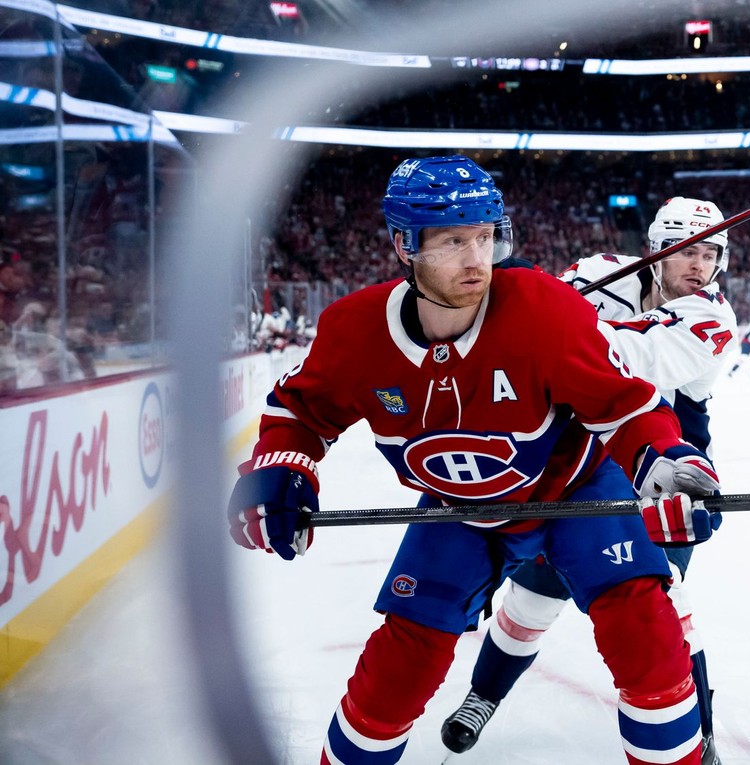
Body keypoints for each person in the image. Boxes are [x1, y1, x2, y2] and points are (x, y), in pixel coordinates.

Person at [227, 156, 724, 765]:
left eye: (486, 237)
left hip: (574, 492)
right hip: (456, 507)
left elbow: (625, 407)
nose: (476, 260)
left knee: (647, 630)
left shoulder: (545, 308)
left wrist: (662, 459)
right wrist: (279, 466)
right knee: (401, 663)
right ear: (404, 245)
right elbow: (299, 413)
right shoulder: (354, 330)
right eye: (453, 240)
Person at [442, 197, 738, 764]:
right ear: (655, 252)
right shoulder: (595, 272)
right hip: (575, 462)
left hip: (660, 463)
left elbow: (621, 359)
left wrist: (558, 322)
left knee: (663, 613)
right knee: (531, 598)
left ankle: (697, 739)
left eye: (709, 255)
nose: (698, 267)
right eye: (686, 253)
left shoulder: (712, 318)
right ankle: (482, 697)